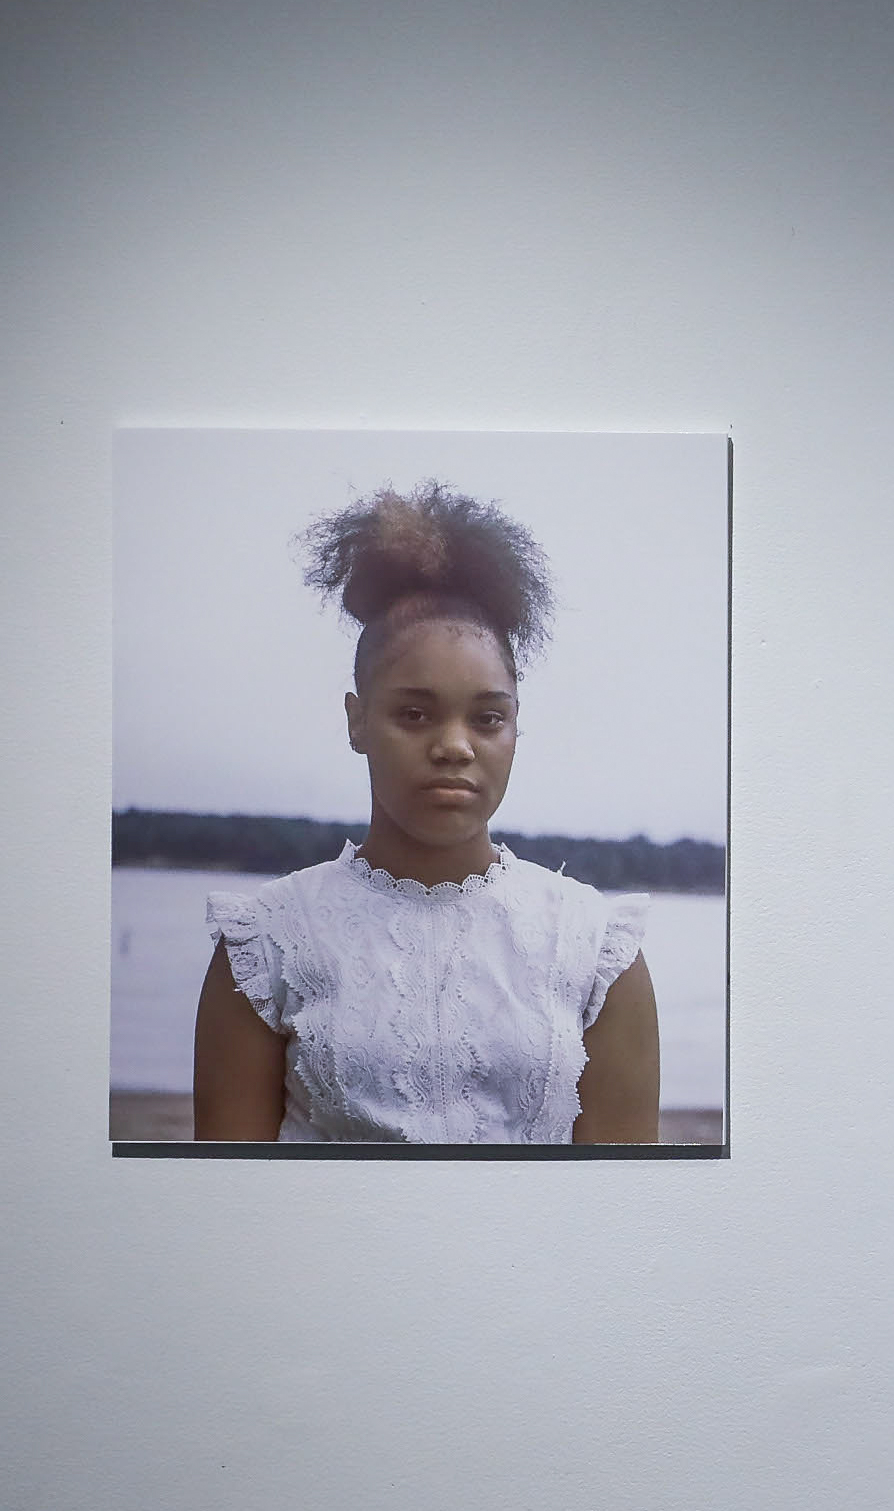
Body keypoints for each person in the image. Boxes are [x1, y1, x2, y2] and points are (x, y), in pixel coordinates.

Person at [191, 484, 660, 1143]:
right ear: (358, 721)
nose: (454, 746)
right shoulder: (267, 946)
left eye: (487, 718)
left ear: (515, 727)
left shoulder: (593, 949)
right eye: (414, 714)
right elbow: (225, 1203)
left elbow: (627, 1208)